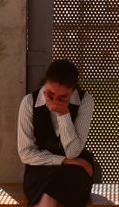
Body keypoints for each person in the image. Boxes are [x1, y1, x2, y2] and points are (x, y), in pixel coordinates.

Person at [17, 59, 94, 207]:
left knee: (57, 188)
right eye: (51, 94)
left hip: (76, 169)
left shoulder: (85, 101)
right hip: (40, 169)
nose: (55, 101)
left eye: (62, 97)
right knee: (50, 193)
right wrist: (63, 160)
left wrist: (63, 113)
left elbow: (72, 152)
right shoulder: (28, 103)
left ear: (72, 91)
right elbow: (25, 153)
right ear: (45, 83)